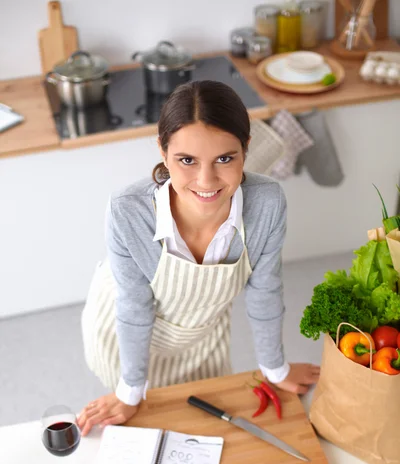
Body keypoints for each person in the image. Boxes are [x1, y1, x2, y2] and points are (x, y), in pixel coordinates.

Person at [78, 80, 319, 436]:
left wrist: (275, 368)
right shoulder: (127, 211)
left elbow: (265, 290)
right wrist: (129, 392)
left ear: (245, 149)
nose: (206, 181)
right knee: (140, 427)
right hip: (124, 332)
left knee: (199, 431)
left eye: (224, 158)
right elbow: (133, 306)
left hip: (202, 335)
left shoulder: (267, 203)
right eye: (187, 160)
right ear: (162, 151)